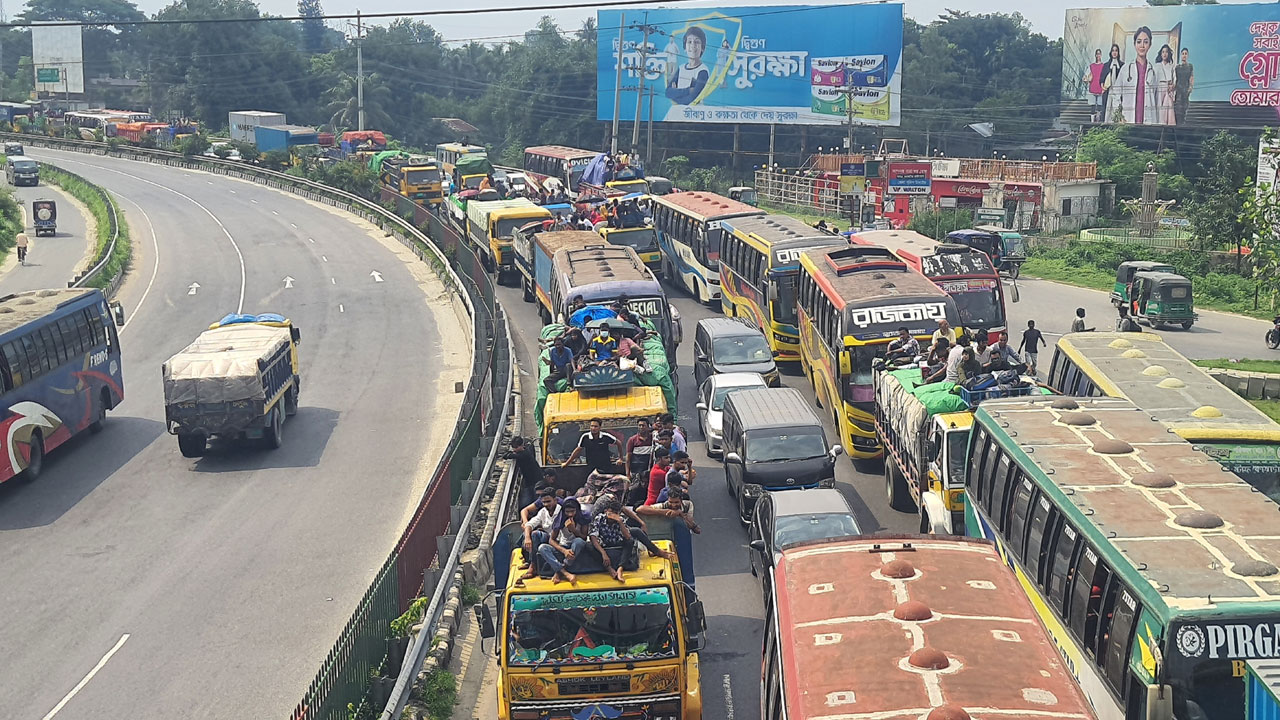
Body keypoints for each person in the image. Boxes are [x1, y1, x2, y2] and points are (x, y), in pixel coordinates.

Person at [536, 497, 591, 584]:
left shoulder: (583, 518)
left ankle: (559, 571)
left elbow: (584, 538)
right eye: (567, 512)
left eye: (572, 511)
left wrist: (573, 530)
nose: (570, 514)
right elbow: (551, 540)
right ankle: (564, 572)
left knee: (578, 541)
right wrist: (564, 551)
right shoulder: (560, 519)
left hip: (577, 547)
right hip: (564, 546)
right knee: (542, 548)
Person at [1114, 26, 1158, 125]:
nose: (1142, 46)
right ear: (1134, 44)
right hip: (1127, 120)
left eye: (1146, 42)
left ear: (1150, 45)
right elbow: (1116, 94)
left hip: (1149, 122)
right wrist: (1119, 116)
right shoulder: (1125, 69)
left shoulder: (1153, 72)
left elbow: (1156, 99)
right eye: (1139, 42)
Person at [520, 489, 563, 580]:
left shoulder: (562, 511)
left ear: (555, 500)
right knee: (534, 534)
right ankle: (533, 565)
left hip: (561, 542)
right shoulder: (543, 511)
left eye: (548, 501)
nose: (546, 504)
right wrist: (528, 537)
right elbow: (529, 525)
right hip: (549, 540)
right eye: (544, 502)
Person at [666, 26, 710, 106]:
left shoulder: (703, 71)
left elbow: (691, 98)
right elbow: (668, 92)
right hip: (677, 114)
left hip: (695, 114)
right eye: (689, 42)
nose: (693, 45)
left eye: (697, 42)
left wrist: (676, 93)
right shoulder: (681, 68)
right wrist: (688, 91)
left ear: (702, 48)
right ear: (685, 48)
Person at [504, 436, 543, 510]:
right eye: (513, 447)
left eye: (516, 447)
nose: (514, 449)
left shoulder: (525, 454)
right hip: (529, 480)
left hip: (535, 481)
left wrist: (510, 454)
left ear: (522, 446)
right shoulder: (525, 452)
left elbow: (508, 456)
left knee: (531, 501)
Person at [1102, 43, 1124, 123]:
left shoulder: (1122, 65)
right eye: (1113, 51)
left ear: (1118, 52)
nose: (1114, 52)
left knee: (1117, 109)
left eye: (1116, 51)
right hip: (1109, 91)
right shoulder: (1106, 65)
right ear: (1111, 52)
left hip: (1118, 92)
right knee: (1107, 110)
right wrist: (1103, 86)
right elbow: (1102, 79)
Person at [1155, 44, 1176, 125]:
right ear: (1161, 54)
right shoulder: (1157, 66)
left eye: (1166, 52)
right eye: (1163, 52)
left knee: (1169, 109)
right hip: (1159, 89)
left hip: (1168, 89)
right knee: (1159, 109)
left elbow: (1175, 79)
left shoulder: (1171, 66)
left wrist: (1172, 86)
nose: (1164, 54)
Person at [1084, 49, 1107, 123]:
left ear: (1101, 55)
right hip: (1092, 88)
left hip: (1100, 89)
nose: (1098, 55)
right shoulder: (1091, 66)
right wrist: (1086, 79)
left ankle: (1098, 120)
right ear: (1095, 55)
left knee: (1099, 106)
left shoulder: (1103, 66)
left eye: (1099, 54)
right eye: (1097, 54)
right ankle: (1092, 121)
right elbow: (1086, 76)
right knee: (1093, 106)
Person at [1174, 48, 1194, 126]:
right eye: (1183, 53)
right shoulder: (1177, 67)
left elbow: (1191, 77)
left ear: (1188, 55)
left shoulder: (1190, 66)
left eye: (1186, 54)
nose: (1184, 55)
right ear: (1181, 55)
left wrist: (1190, 87)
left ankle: (1183, 124)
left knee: (1185, 108)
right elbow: (1175, 79)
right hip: (1178, 90)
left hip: (1185, 90)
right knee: (1178, 109)